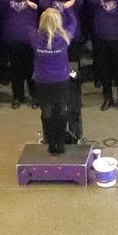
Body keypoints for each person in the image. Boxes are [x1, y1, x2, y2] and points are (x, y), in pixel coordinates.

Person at [32, 9, 73, 155]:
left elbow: (28, 25)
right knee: (62, 110)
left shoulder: (35, 37)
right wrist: (67, 9)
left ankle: (50, 142)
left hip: (43, 81)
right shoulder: (64, 37)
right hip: (61, 80)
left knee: (47, 111)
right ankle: (60, 143)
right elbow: (73, 22)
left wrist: (31, 9)